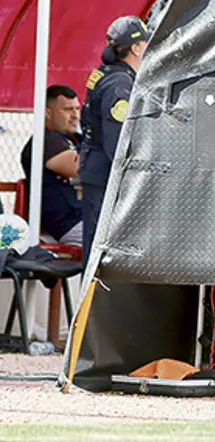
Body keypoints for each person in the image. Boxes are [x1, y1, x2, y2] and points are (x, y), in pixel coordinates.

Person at [79, 16, 151, 265]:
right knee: (100, 247)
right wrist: (131, 176)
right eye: (145, 43)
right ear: (135, 48)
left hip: (96, 168)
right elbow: (117, 139)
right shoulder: (120, 82)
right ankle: (92, 302)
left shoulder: (107, 74)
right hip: (105, 175)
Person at [19, 85, 83, 246]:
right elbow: (81, 169)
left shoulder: (75, 139)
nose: (75, 115)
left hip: (89, 217)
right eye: (68, 109)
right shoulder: (43, 140)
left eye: (77, 108)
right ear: (48, 113)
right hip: (69, 225)